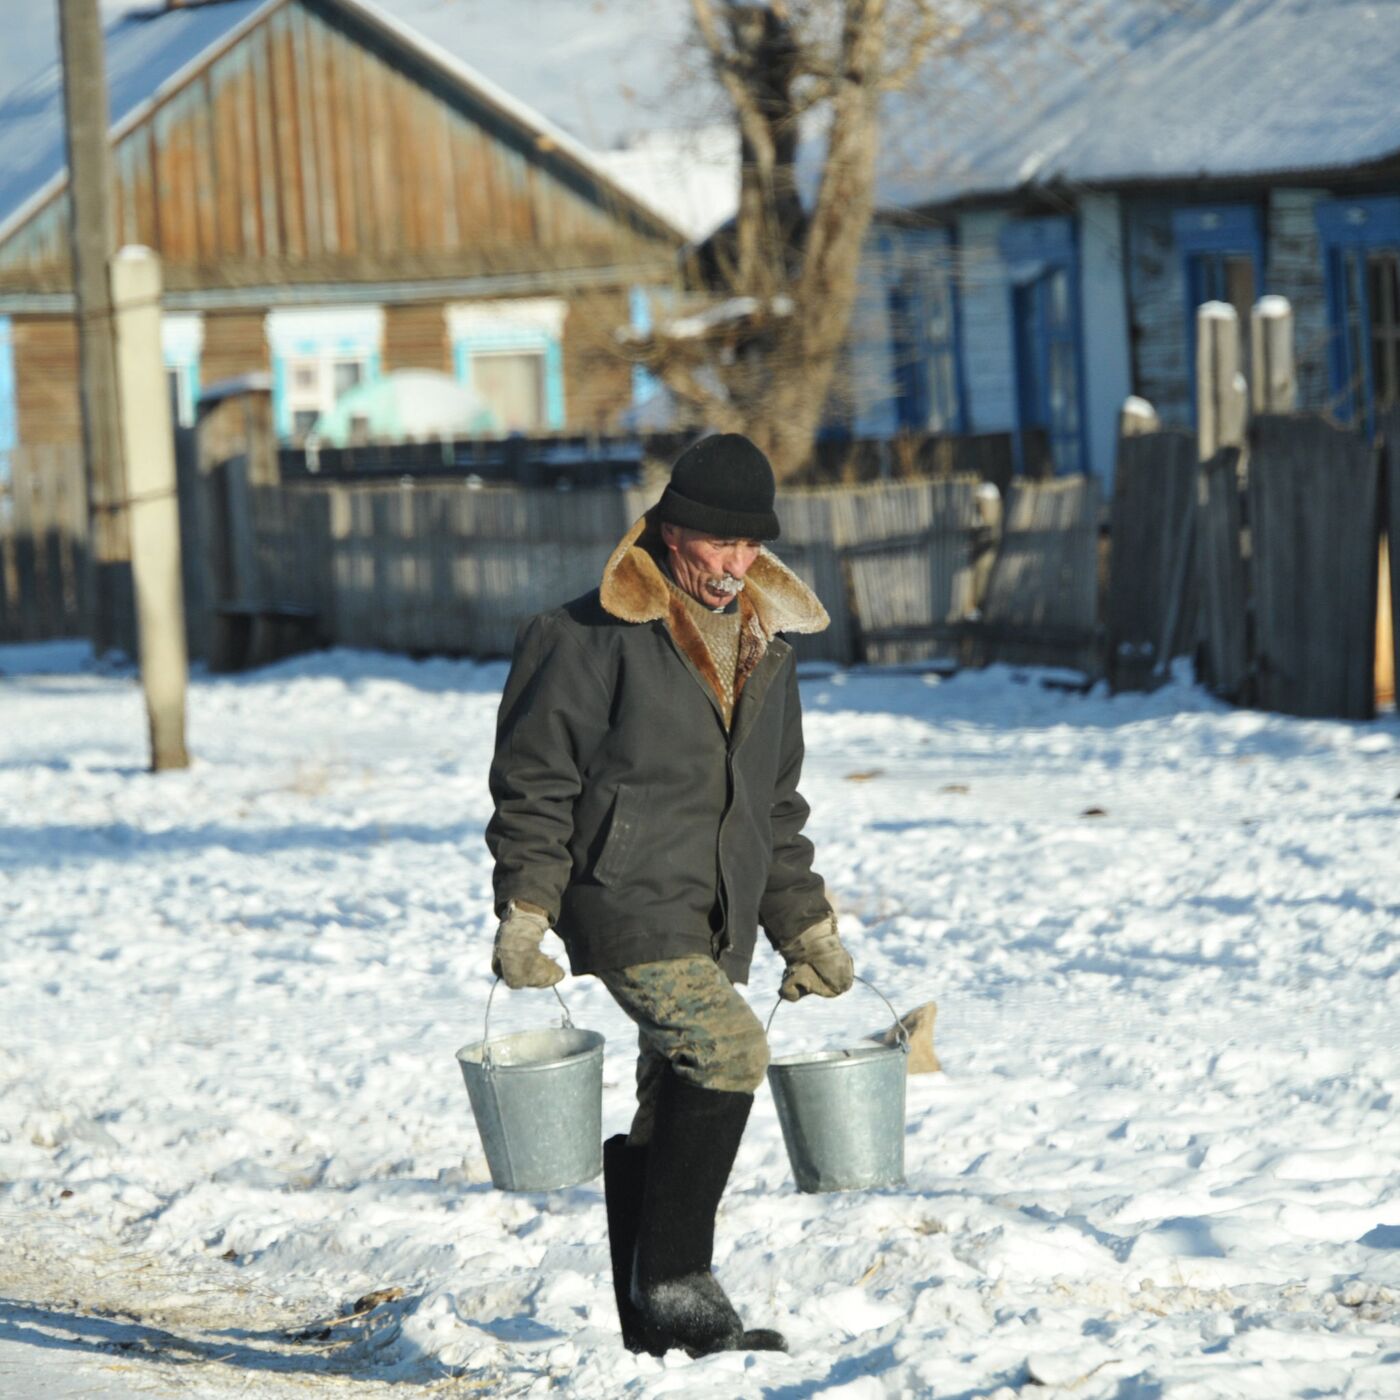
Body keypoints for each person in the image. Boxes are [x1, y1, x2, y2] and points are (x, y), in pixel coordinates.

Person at [485, 432, 855, 1357]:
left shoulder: (771, 650)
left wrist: (804, 927)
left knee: (673, 1094)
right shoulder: (582, 637)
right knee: (730, 1050)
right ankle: (682, 1286)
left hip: (712, 913)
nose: (734, 565)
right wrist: (526, 910)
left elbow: (773, 806)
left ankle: (655, 1332)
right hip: (621, 897)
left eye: (748, 547)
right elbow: (536, 785)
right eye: (715, 544)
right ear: (667, 530)